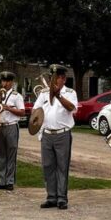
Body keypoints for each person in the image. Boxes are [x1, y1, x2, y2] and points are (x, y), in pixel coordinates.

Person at [34, 64, 78, 210]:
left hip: (62, 134)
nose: (52, 80)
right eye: (51, 77)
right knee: (48, 166)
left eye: (56, 78)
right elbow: (36, 111)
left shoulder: (70, 92)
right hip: (47, 134)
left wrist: (58, 95)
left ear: (63, 79)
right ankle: (51, 196)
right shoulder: (43, 93)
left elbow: (72, 108)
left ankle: (62, 198)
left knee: (62, 166)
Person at [0, 71, 25, 191]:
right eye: (3, 81)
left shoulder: (17, 96)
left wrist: (8, 108)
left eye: (7, 81)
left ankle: (9, 181)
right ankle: (1, 181)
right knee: (0, 155)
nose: (4, 84)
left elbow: (22, 112)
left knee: (11, 154)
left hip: (11, 126)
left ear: (11, 82)